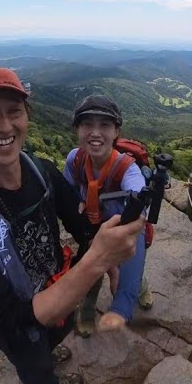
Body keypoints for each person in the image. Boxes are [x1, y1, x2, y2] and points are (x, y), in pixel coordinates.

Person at [0, 68, 145, 384]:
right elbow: (8, 317)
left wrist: (112, 261)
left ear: (27, 116)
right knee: (33, 362)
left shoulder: (39, 170)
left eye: (14, 112)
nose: (4, 126)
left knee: (54, 337)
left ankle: (50, 353)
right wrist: (98, 261)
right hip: (17, 322)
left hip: (58, 291)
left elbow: (83, 225)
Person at [63, 94, 152, 335]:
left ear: (116, 132)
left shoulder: (127, 169)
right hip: (92, 227)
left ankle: (139, 291)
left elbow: (137, 198)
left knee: (129, 271)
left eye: (104, 125)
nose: (95, 132)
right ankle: (86, 313)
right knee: (91, 274)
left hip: (120, 228)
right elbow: (67, 189)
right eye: (87, 125)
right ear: (78, 129)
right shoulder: (76, 159)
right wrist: (78, 206)